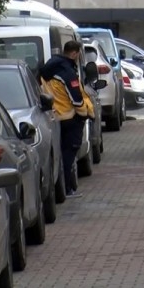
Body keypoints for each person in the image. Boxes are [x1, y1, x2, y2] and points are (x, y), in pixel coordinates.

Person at [39, 40, 95, 198]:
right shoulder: (67, 72)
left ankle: (63, 188)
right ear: (75, 53)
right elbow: (76, 99)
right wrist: (86, 113)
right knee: (69, 153)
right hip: (69, 117)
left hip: (55, 116)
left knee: (60, 153)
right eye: (79, 55)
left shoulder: (50, 68)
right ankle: (67, 189)